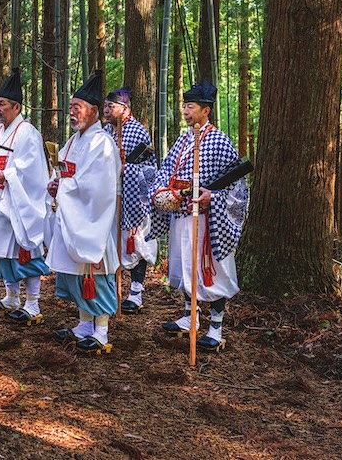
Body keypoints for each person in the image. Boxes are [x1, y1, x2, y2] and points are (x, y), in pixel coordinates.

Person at [148, 80, 248, 352]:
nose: (185, 111)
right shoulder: (183, 140)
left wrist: (212, 197)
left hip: (208, 220)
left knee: (211, 272)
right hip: (181, 214)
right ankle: (188, 316)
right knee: (183, 267)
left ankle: (215, 327)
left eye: (190, 106)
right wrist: (161, 191)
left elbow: (237, 187)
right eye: (184, 106)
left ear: (206, 110)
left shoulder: (219, 141)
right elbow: (166, 170)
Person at [46, 70, 121, 354]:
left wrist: (65, 188)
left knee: (96, 274)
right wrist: (55, 184)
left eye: (77, 108)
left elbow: (96, 185)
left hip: (92, 219)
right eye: (72, 108)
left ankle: (101, 331)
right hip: (74, 214)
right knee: (77, 274)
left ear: (94, 112)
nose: (72, 113)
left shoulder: (102, 142)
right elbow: (64, 171)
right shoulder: (74, 141)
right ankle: (84, 324)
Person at [0, 68, 51, 325]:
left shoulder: (28, 133)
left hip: (17, 202)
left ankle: (33, 303)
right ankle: (11, 296)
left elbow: (32, 169)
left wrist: (8, 177)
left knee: (23, 251)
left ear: (16, 106)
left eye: (2, 104)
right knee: (0, 254)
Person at [102, 87, 158, 314]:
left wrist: (127, 169)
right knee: (112, 242)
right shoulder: (106, 132)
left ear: (124, 108)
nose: (106, 110)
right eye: (105, 106)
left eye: (110, 106)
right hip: (110, 197)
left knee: (135, 243)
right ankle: (112, 288)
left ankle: (136, 292)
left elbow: (150, 169)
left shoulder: (138, 132)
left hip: (135, 198)